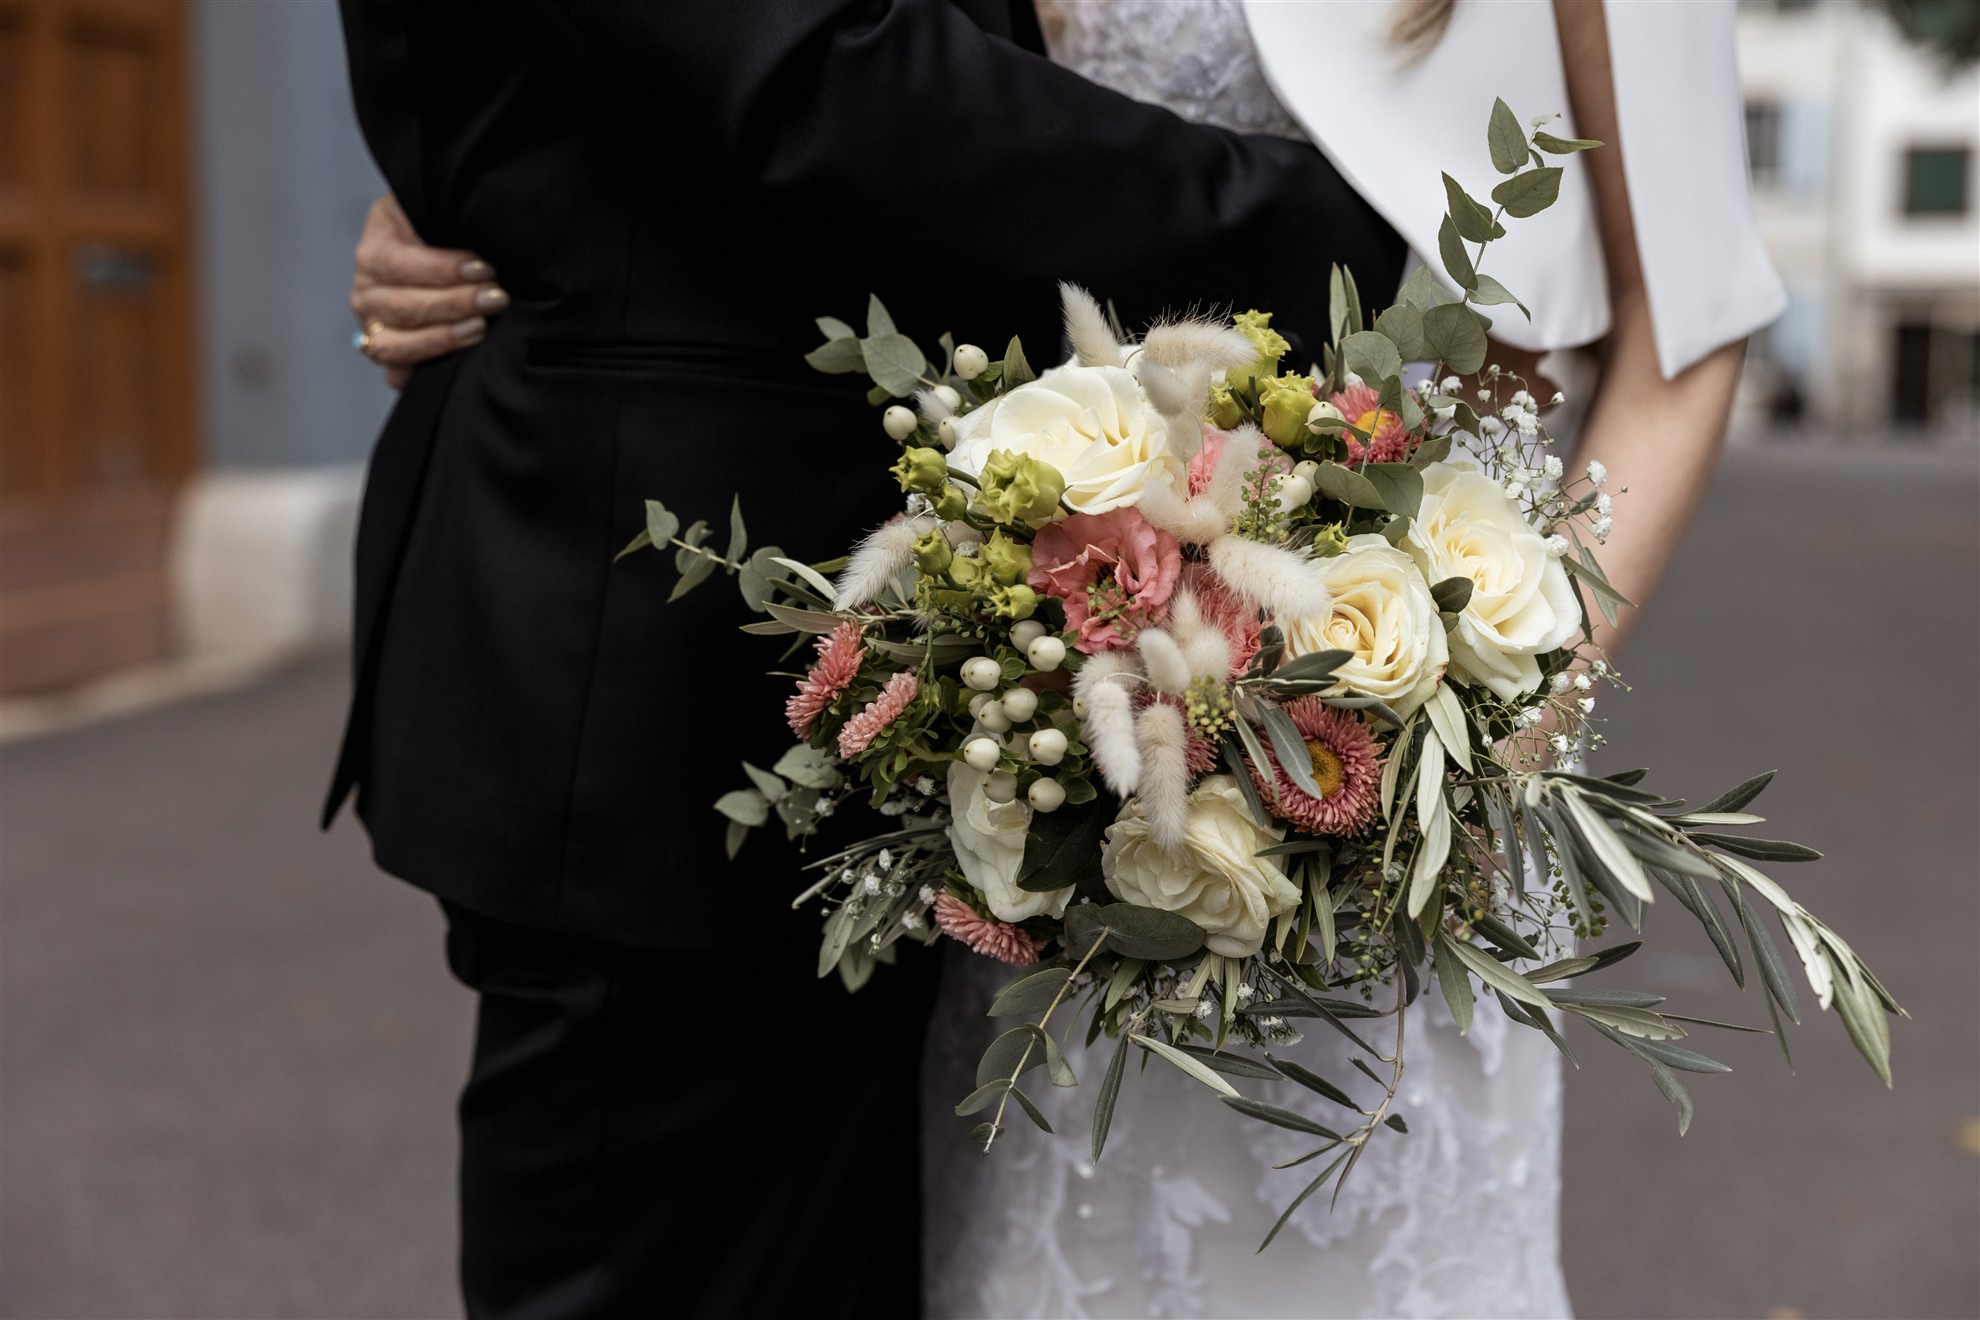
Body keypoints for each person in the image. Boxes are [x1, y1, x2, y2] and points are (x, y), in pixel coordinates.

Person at [345, 2, 1779, 1314]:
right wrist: (495, 162)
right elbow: (836, 94)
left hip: (1358, 740)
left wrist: (1483, 742)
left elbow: (1685, 338)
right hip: (1016, 747)